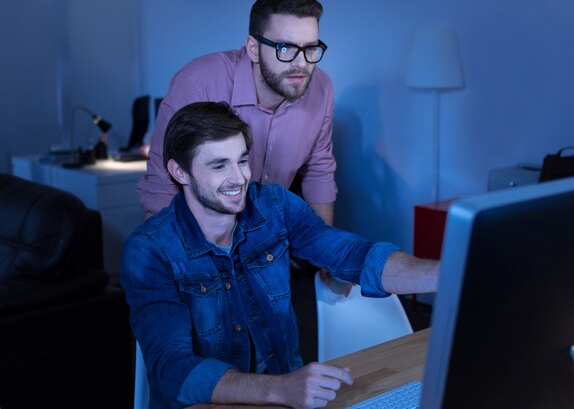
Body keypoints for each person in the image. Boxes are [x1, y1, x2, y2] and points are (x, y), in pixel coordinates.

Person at [121, 101, 440, 409]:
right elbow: (172, 371)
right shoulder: (149, 250)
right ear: (180, 172)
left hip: (287, 396)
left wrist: (450, 276)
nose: (239, 178)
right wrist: (281, 388)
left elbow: (351, 254)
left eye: (242, 160)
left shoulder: (273, 204)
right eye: (219, 165)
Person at [137, 0, 336, 228]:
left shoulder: (321, 88)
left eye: (311, 49)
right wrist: (165, 260)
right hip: (199, 235)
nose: (302, 64)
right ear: (253, 48)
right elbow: (162, 185)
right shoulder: (198, 85)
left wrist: (326, 255)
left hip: (268, 238)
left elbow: (318, 172)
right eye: (286, 48)